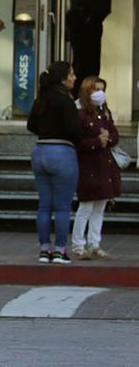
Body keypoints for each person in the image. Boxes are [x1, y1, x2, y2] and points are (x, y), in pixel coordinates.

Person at [26, 61, 80, 264]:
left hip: (40, 151)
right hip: (62, 152)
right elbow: (74, 130)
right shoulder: (66, 101)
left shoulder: (41, 99)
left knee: (44, 205)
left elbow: (31, 125)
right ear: (63, 79)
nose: (74, 78)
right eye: (71, 74)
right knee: (63, 207)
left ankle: (44, 249)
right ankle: (60, 250)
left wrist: (46, 131)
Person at [72, 77, 122, 260]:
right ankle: (78, 245)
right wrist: (96, 142)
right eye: (96, 89)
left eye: (102, 89)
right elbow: (76, 141)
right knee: (86, 207)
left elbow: (114, 134)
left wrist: (108, 139)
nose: (100, 93)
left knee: (100, 207)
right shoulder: (79, 113)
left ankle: (94, 243)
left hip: (104, 165)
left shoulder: (104, 112)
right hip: (88, 165)